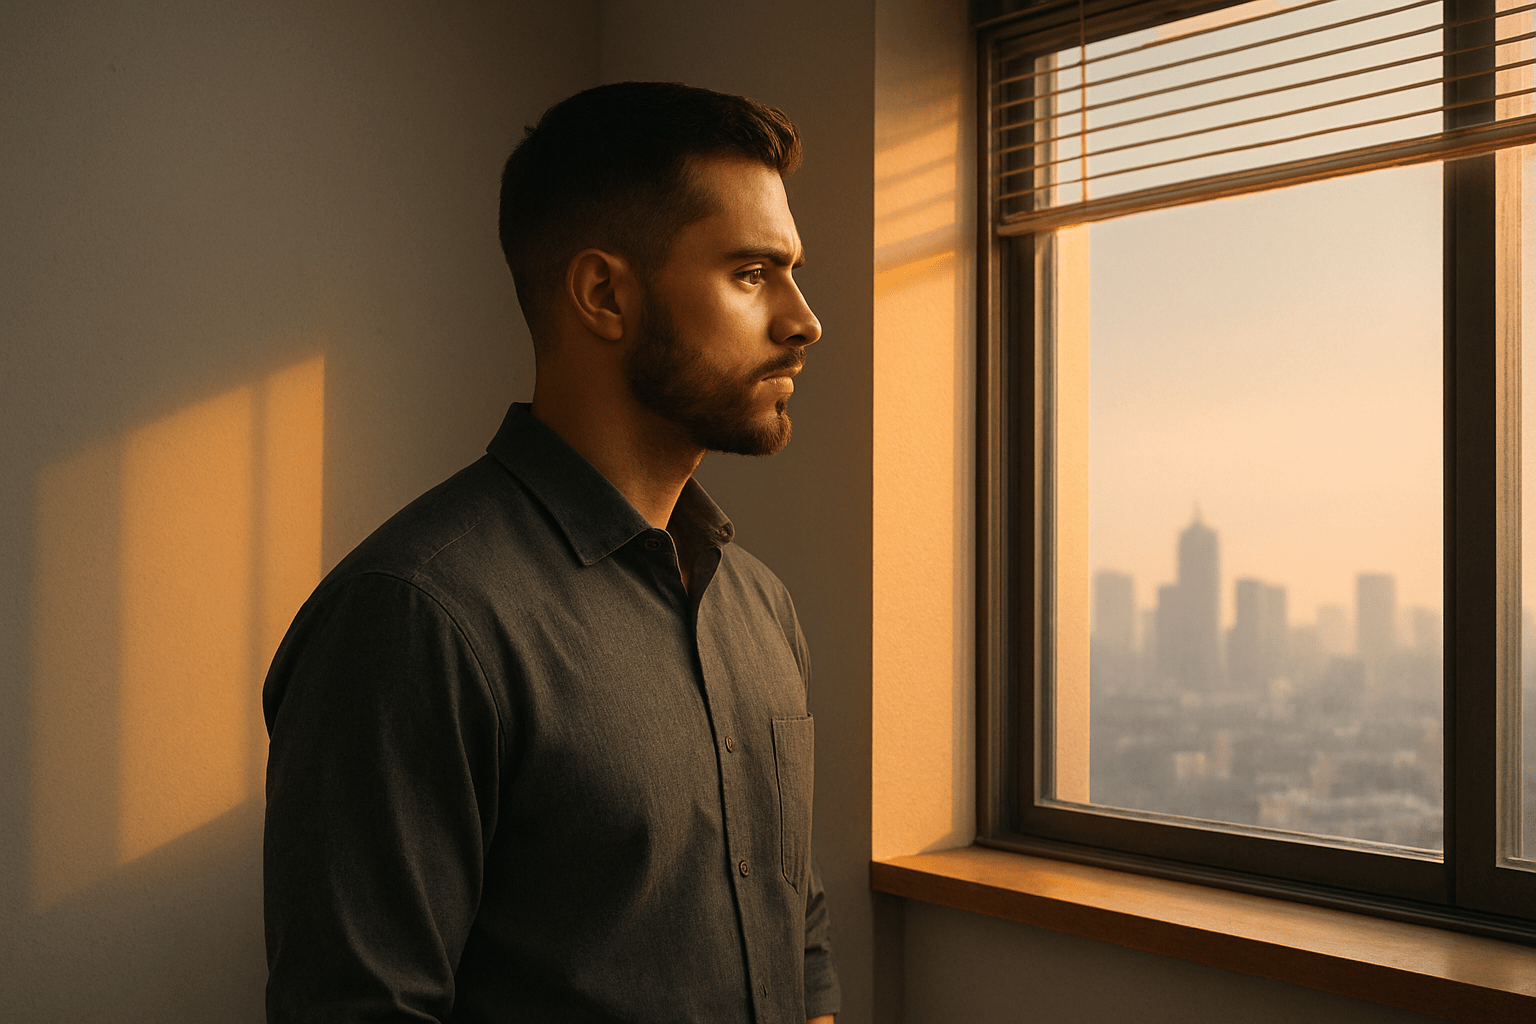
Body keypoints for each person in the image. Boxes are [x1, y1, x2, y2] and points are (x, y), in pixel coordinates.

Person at [261, 81, 839, 1024]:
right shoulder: (414, 619)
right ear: (605, 294)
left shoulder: (758, 604)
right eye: (750, 273)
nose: (803, 319)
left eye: (792, 272)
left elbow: (796, 937)